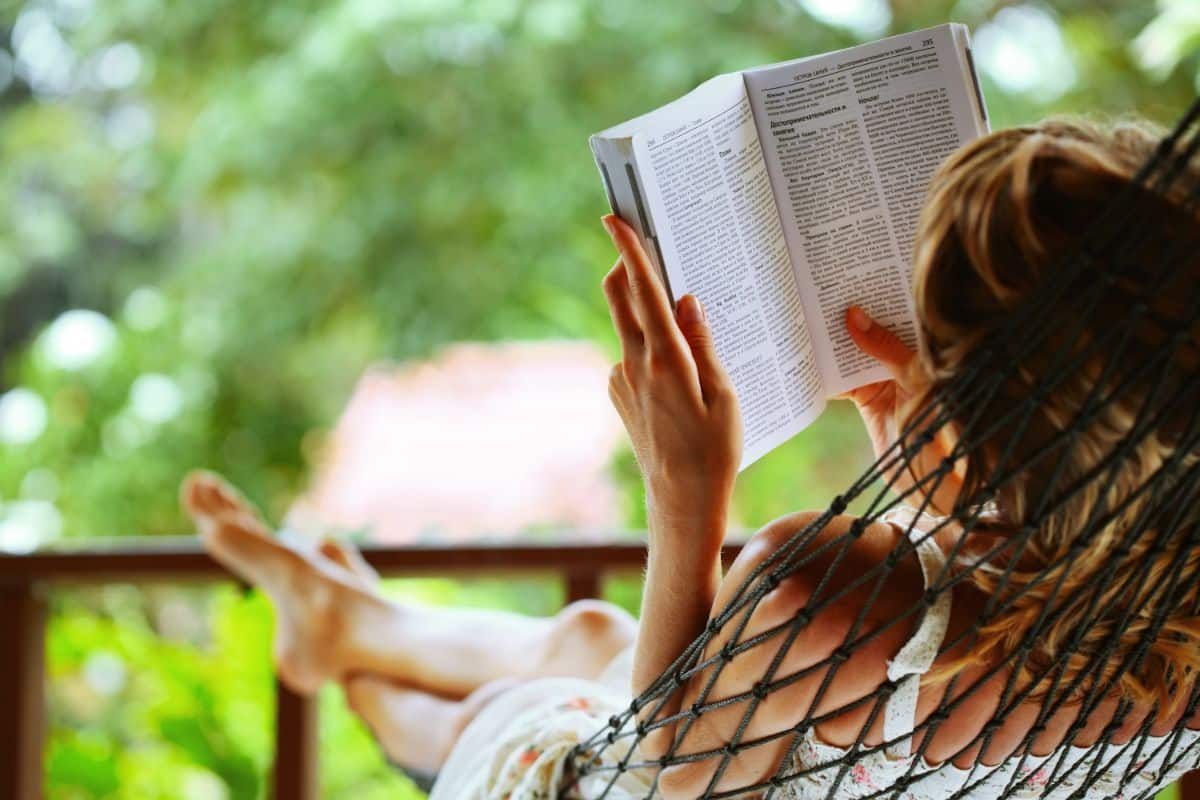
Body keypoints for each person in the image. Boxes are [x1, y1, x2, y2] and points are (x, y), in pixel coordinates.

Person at [184, 117, 1200, 799]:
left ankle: (345, 654)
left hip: (604, 778)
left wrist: (686, 494)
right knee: (584, 632)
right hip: (770, 728)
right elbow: (990, 640)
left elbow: (644, 774)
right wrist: (918, 448)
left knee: (519, 697)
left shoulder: (825, 590)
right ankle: (342, 620)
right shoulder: (1165, 628)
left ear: (966, 421)